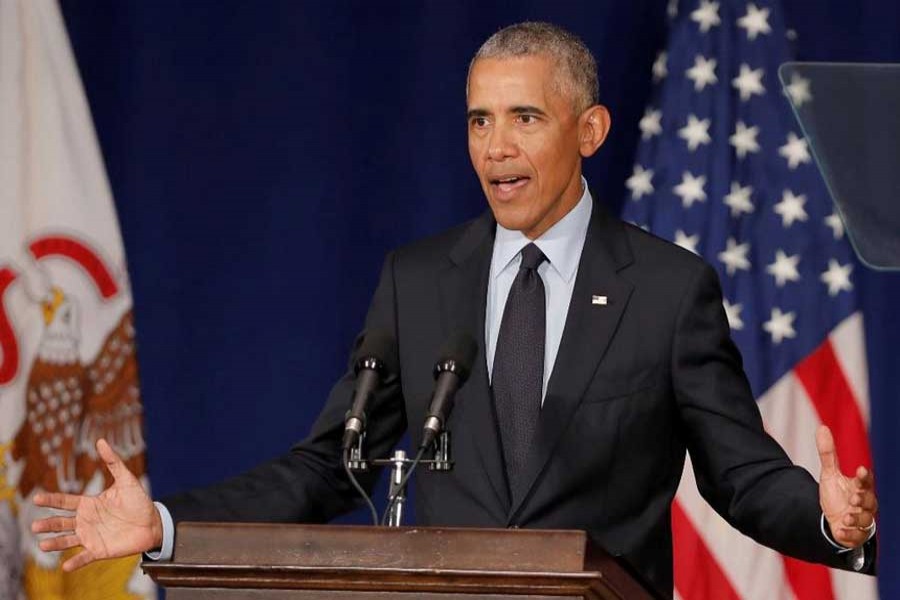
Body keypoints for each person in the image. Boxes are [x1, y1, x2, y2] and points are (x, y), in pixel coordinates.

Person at [32, 22, 877, 595]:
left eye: (524, 118)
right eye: (479, 120)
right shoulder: (421, 279)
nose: (496, 147)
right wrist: (169, 525)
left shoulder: (667, 289)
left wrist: (826, 518)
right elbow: (337, 463)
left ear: (589, 130)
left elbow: (739, 473)